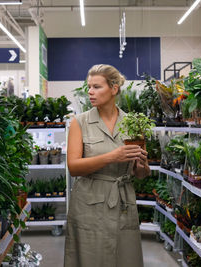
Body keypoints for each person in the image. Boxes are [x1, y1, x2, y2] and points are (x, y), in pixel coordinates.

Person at [64, 64, 150, 267]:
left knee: (125, 258)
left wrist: (142, 166)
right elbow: (74, 167)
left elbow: (141, 173)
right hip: (89, 203)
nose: (90, 92)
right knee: (89, 258)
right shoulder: (80, 123)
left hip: (123, 201)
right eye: (89, 87)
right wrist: (113, 156)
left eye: (97, 87)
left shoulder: (133, 123)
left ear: (114, 88)